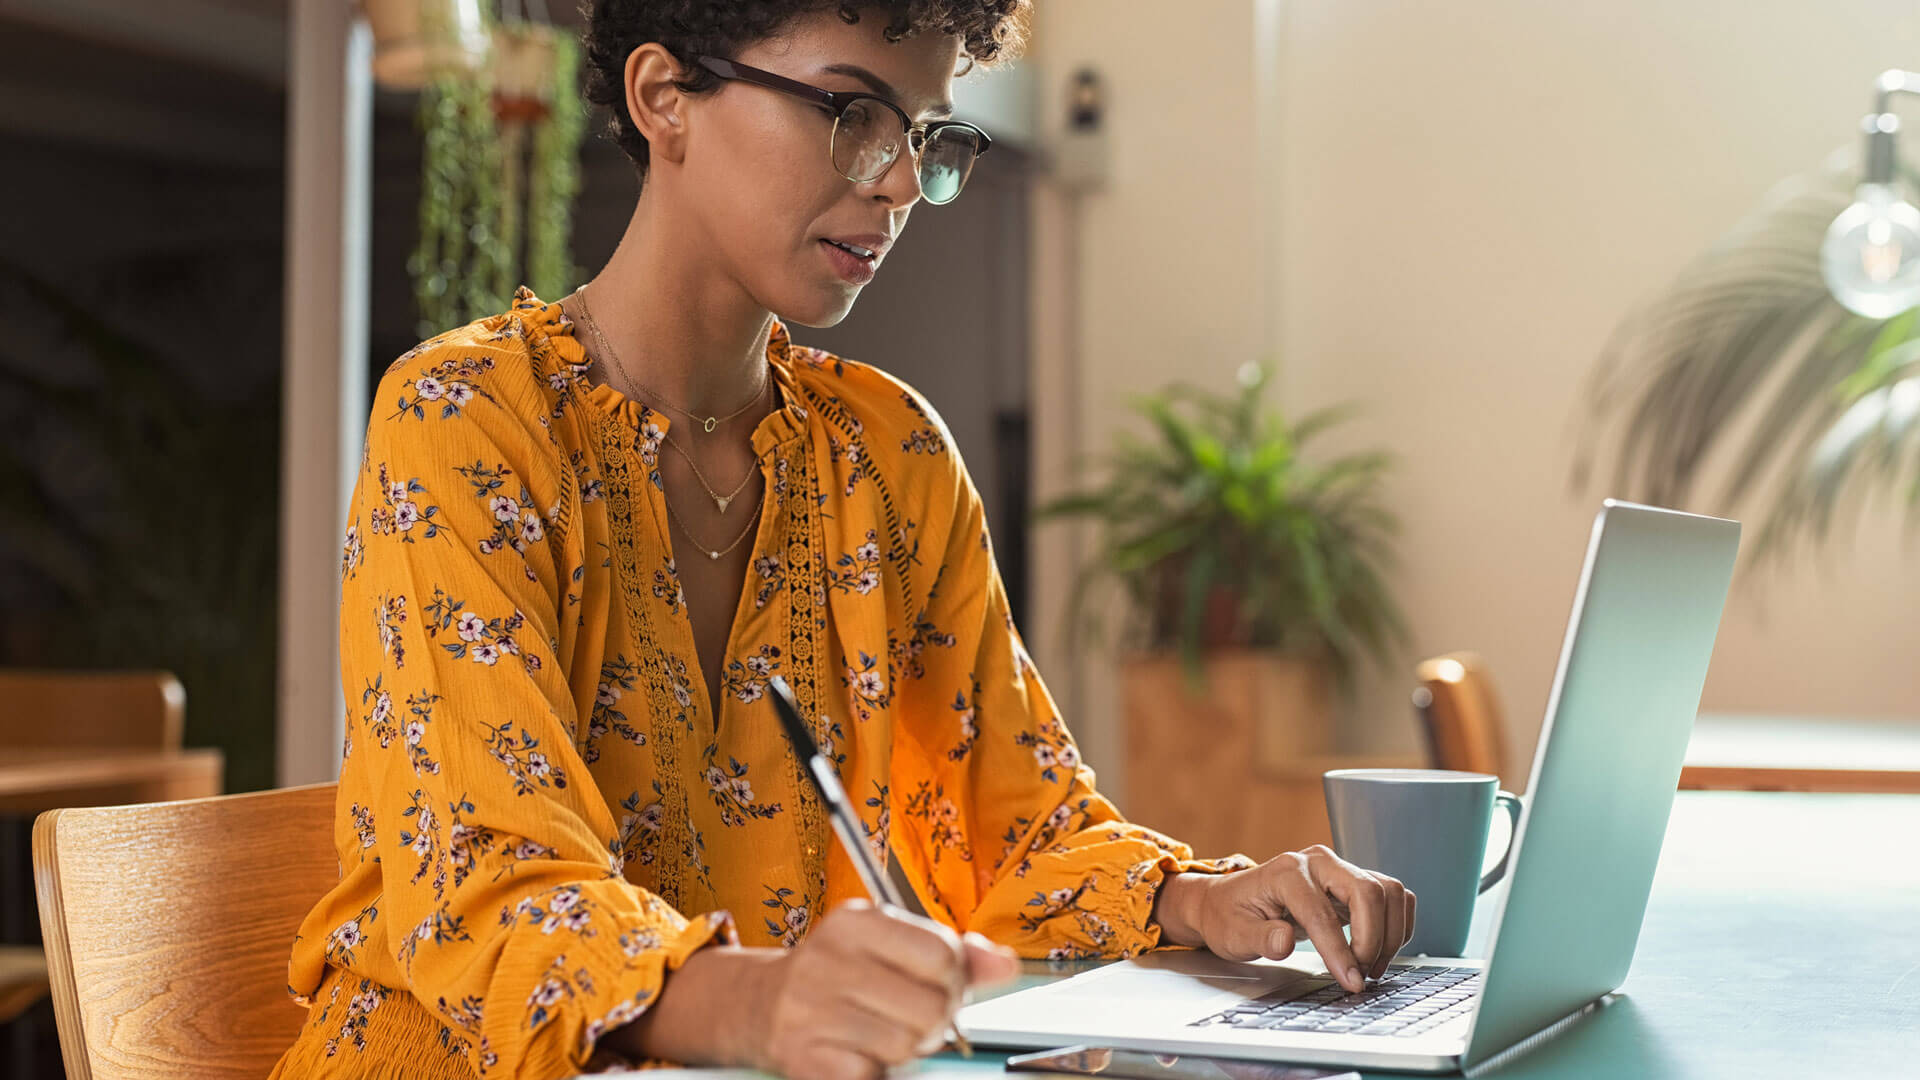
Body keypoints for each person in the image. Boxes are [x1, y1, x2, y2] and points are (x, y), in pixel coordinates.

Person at [269, 3, 1416, 1078]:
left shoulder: (891, 451)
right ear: (664, 96)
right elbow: (488, 876)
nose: (905, 180)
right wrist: (764, 1006)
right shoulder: (468, 420)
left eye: (921, 133)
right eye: (854, 114)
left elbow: (1017, 829)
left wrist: (1200, 899)